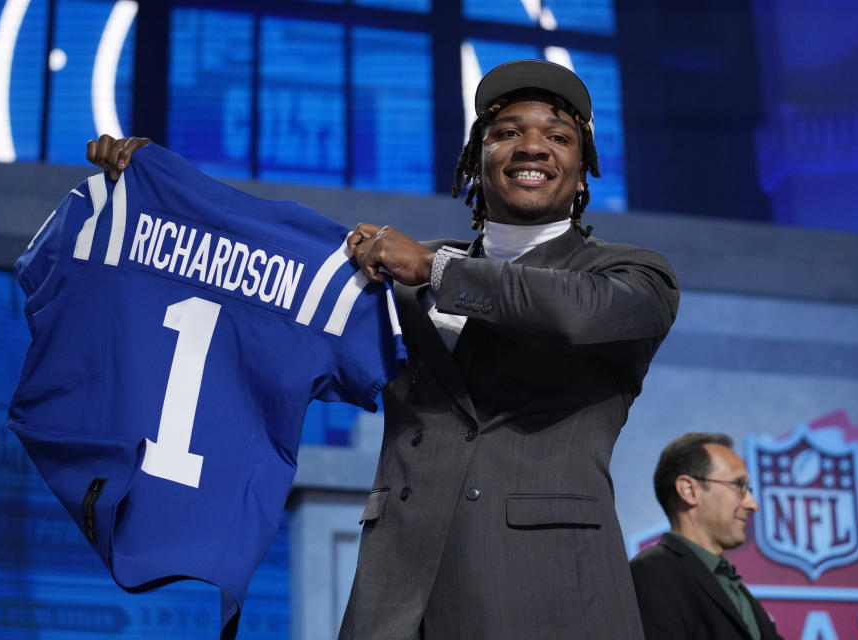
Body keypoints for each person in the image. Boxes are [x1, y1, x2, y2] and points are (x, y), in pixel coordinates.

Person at [87, 59, 679, 639]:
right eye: (506, 133)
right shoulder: (395, 272)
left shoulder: (631, 276)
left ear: (582, 171)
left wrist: (435, 268)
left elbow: (570, 312)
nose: (531, 146)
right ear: (477, 161)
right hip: (396, 596)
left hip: (544, 597)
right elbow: (263, 295)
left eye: (558, 136)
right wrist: (152, 197)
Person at [629, 433, 784, 640]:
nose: (753, 504)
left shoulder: (732, 585)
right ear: (689, 490)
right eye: (739, 486)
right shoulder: (651, 573)